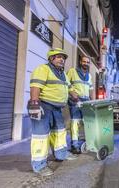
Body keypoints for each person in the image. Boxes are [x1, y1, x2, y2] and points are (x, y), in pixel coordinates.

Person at [27, 48, 77, 177]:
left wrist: (75, 96)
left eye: (63, 57)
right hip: (44, 106)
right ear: (51, 58)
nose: (62, 59)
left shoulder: (62, 74)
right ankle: (39, 165)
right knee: (41, 136)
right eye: (58, 57)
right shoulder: (43, 69)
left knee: (60, 132)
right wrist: (34, 104)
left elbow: (69, 87)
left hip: (57, 108)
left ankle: (61, 154)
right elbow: (35, 86)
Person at [67, 56, 93, 154]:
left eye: (87, 62)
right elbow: (66, 84)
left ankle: (88, 142)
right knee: (75, 122)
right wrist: (73, 95)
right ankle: (75, 145)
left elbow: (90, 89)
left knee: (87, 122)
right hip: (75, 100)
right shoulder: (72, 71)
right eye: (84, 61)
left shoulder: (89, 75)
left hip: (86, 101)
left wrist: (93, 101)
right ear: (80, 62)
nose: (86, 63)